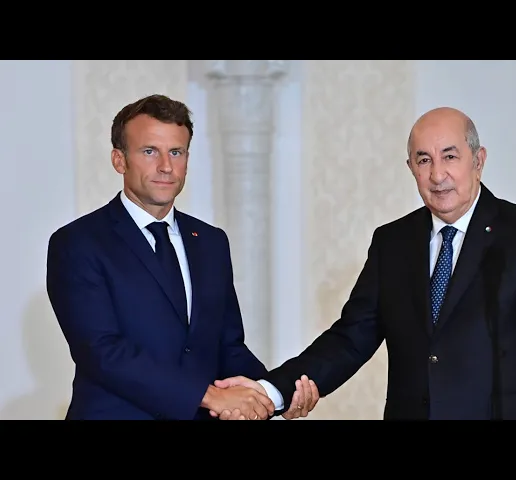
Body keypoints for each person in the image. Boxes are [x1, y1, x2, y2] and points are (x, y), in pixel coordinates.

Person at [218, 106, 516, 420]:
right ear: (410, 167)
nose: (437, 175)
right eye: (424, 160)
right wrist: (272, 391)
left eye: (450, 156)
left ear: (478, 161)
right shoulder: (393, 242)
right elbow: (350, 339)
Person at [46, 94, 317, 420]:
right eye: (150, 151)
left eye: (176, 152)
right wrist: (210, 396)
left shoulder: (211, 242)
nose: (166, 166)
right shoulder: (78, 242)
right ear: (119, 160)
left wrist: (272, 395)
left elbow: (227, 346)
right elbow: (103, 352)